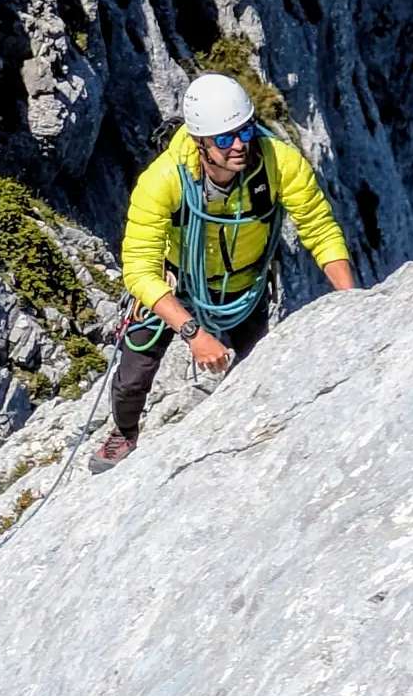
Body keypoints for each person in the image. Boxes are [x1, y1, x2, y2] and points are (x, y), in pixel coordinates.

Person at [89, 73, 357, 473]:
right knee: (131, 378)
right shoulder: (163, 181)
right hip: (177, 283)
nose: (240, 146)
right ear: (200, 143)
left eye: (245, 131)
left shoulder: (278, 163)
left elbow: (318, 228)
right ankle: (124, 433)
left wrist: (351, 300)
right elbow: (141, 271)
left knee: (254, 371)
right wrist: (193, 333)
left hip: (243, 287)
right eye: (225, 139)